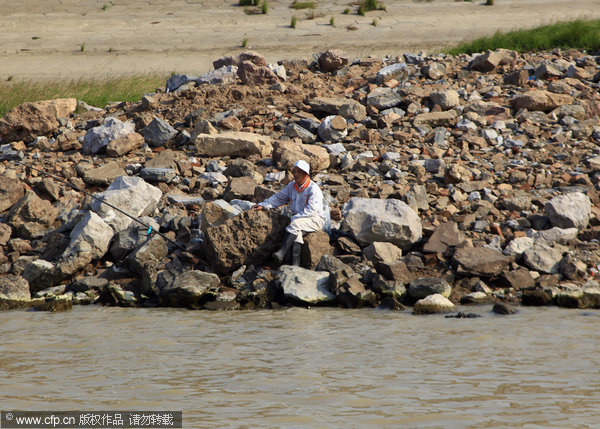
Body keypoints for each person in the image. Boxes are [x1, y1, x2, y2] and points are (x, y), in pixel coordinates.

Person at [252, 160, 325, 266]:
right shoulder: (292, 186)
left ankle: (281, 252)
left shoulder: (313, 189)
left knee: (295, 224)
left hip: (315, 219)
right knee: (297, 235)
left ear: (306, 174)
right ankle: (295, 265)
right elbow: (278, 198)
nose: (295, 174)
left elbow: (312, 210)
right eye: (294, 171)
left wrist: (295, 218)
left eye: (299, 172)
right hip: (301, 220)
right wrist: (264, 205)